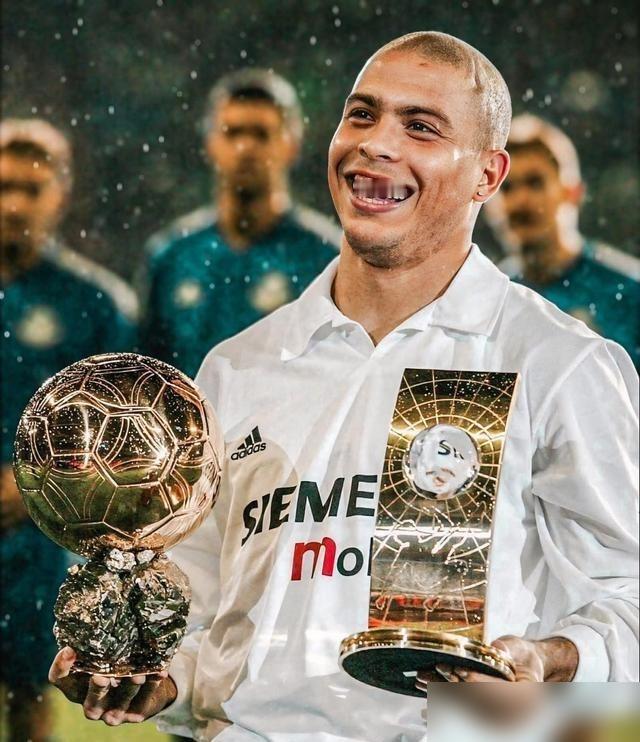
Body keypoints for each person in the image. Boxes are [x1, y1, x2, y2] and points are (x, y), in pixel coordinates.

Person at [50, 31, 638, 741]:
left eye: (420, 127)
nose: (376, 143)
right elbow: (200, 611)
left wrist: (548, 661)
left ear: (487, 175)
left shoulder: (555, 362)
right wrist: (156, 678)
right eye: (362, 115)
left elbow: (627, 597)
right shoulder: (238, 368)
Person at [0, 118, 137, 742]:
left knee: (29, 692)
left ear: (60, 193)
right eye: (4, 187)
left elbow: (123, 435)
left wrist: (33, 480)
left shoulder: (96, 304)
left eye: (30, 189)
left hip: (43, 536)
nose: (14, 203)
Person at [140, 68, 341, 378]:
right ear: (210, 142)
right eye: (232, 133)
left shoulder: (327, 258)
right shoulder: (172, 258)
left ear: (292, 144)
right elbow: (145, 376)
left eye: (261, 134)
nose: (245, 147)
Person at [485, 113, 640, 367]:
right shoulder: (487, 300)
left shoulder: (629, 294)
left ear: (572, 192)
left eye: (535, 183)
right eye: (507, 187)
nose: (520, 201)